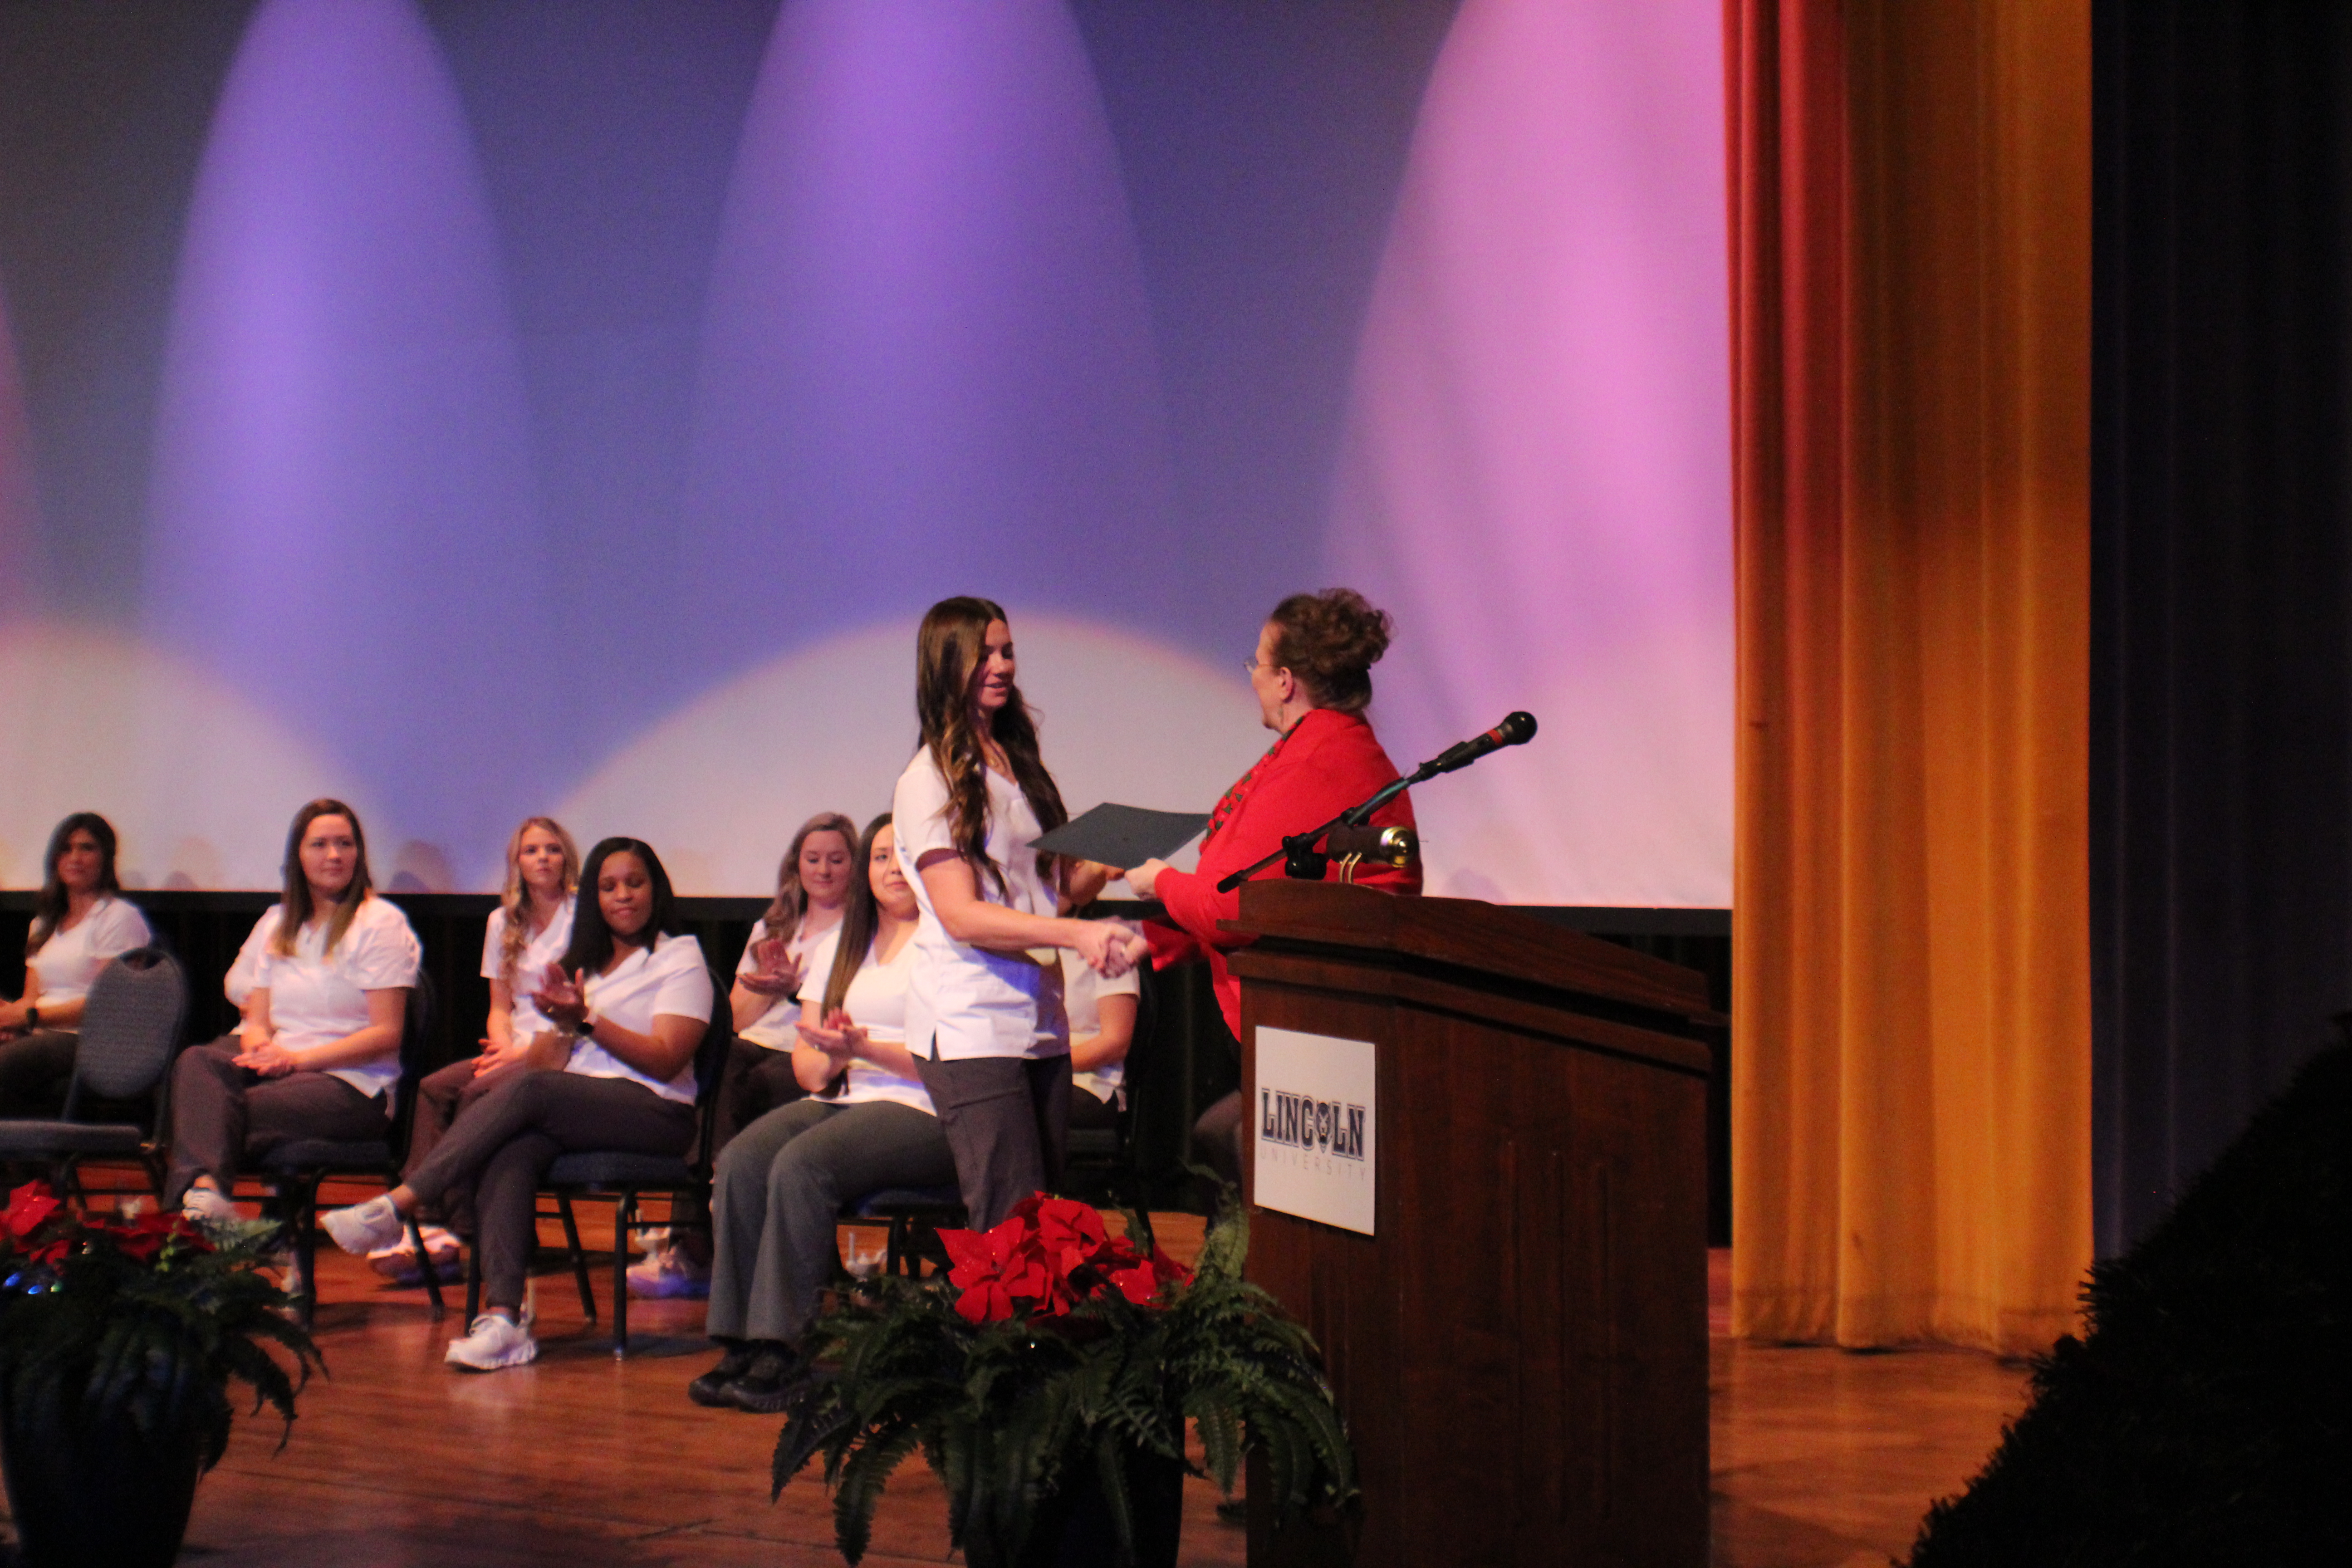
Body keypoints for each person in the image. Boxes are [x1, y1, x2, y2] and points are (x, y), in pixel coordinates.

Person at [319, 837, 711, 1371]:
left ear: (655, 890)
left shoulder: (678, 956)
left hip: (655, 1113)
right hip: (582, 1105)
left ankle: (401, 1206)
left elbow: (667, 1060)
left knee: (525, 1091)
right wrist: (562, 1021)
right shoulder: (584, 966)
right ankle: (504, 1320)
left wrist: (589, 1020)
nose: (623, 895)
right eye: (609, 886)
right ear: (594, 898)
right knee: (513, 1151)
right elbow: (548, 1065)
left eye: (635, 883)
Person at [1122, 588, 1420, 1190]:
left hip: (1316, 1018)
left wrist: (1161, 880)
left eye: (1256, 663)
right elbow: (1264, 885)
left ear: (1285, 681)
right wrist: (1149, 943)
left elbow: (1232, 904)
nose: (1253, 676)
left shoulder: (1314, 762)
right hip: (1316, 1009)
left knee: (1230, 1143)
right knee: (1217, 1133)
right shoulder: (1332, 745)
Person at [691, 812, 957, 1411]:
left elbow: (953, 1064)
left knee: (803, 1164)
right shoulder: (844, 943)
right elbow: (810, 1069)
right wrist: (832, 1052)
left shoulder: (949, 944)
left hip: (925, 1109)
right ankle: (739, 1340)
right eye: (883, 856)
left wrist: (863, 1048)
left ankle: (786, 1349)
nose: (895, 869)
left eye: (907, 855)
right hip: (845, 1097)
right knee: (741, 1160)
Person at [892, 596, 1142, 1231]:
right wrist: (1075, 932)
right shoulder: (928, 779)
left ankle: (1038, 1333)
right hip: (973, 1022)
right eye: (985, 655)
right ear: (947, 664)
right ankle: (1003, 1334)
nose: (1002, 666)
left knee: (1045, 1221)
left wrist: (1100, 866)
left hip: (1039, 1017)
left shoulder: (1013, 763)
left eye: (1007, 652)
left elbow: (1042, 900)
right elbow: (964, 917)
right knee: (1009, 1223)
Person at [631, 812, 859, 1300]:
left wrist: (798, 990)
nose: (824, 870)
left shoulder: (863, 928)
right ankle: (711, 1205)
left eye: (836, 860)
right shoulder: (772, 926)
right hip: (757, 1042)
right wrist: (771, 989)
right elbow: (733, 1014)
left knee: (748, 1088)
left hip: (814, 1050)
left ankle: (703, 1227)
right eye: (813, 859)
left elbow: (854, 1008)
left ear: (854, 866)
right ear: (796, 867)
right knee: (715, 1069)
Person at [168, 799, 421, 1222]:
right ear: (299, 857)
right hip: (285, 1068)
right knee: (197, 1063)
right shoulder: (280, 924)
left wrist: (297, 1060)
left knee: (217, 1114)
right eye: (320, 845)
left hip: (352, 1086)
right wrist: (261, 1048)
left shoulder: (379, 922)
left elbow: (386, 1033)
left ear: (359, 854)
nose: (335, 855)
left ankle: (195, 1218)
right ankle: (208, 1197)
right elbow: (258, 1019)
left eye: (345, 844)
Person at [367, 817, 580, 1282]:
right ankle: (426, 1226)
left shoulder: (585, 917)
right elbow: (499, 1007)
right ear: (517, 863)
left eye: (552, 849)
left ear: (567, 858)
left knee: (474, 1097)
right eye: (531, 851)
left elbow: (589, 1011)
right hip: (513, 1048)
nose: (543, 858)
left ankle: (460, 1228)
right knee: (431, 1089)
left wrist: (522, 1057)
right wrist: (503, 1044)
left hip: (562, 1051)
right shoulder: (502, 922)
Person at [0, 813, 154, 1119]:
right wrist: (9, 1018)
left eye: (87, 848)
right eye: (67, 849)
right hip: (40, 1032)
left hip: (85, 1040)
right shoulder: (44, 924)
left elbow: (105, 1004)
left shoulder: (118, 918)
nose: (75, 858)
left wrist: (30, 1017)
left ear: (106, 858)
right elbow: (32, 997)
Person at [1063, 948, 1139, 1137]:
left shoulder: (1110, 951)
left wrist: (1045, 1063)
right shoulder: (1026, 942)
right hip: (1038, 1074)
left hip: (1090, 1085)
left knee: (1013, 1103)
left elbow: (1115, 1044)